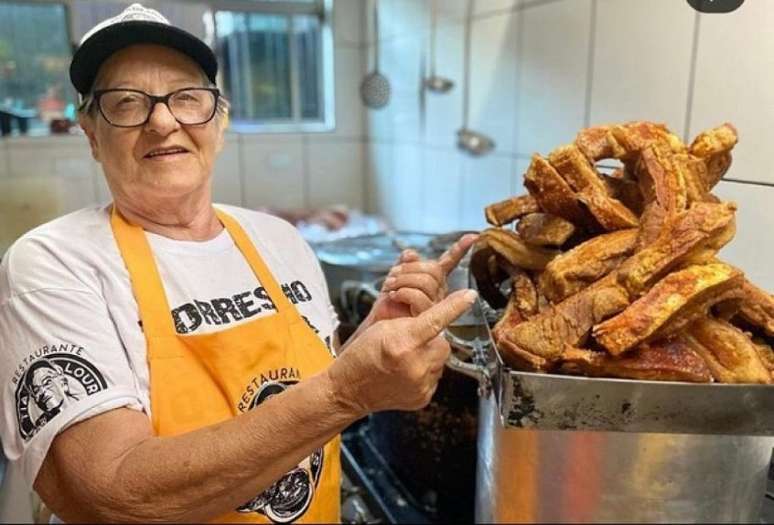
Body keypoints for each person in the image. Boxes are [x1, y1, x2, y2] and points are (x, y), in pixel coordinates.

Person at [0, 4, 478, 523]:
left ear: (219, 122)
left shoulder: (280, 241)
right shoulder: (53, 264)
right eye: (127, 103)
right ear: (92, 135)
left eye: (187, 98)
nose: (163, 120)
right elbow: (116, 493)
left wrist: (375, 339)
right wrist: (347, 394)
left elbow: (311, 386)